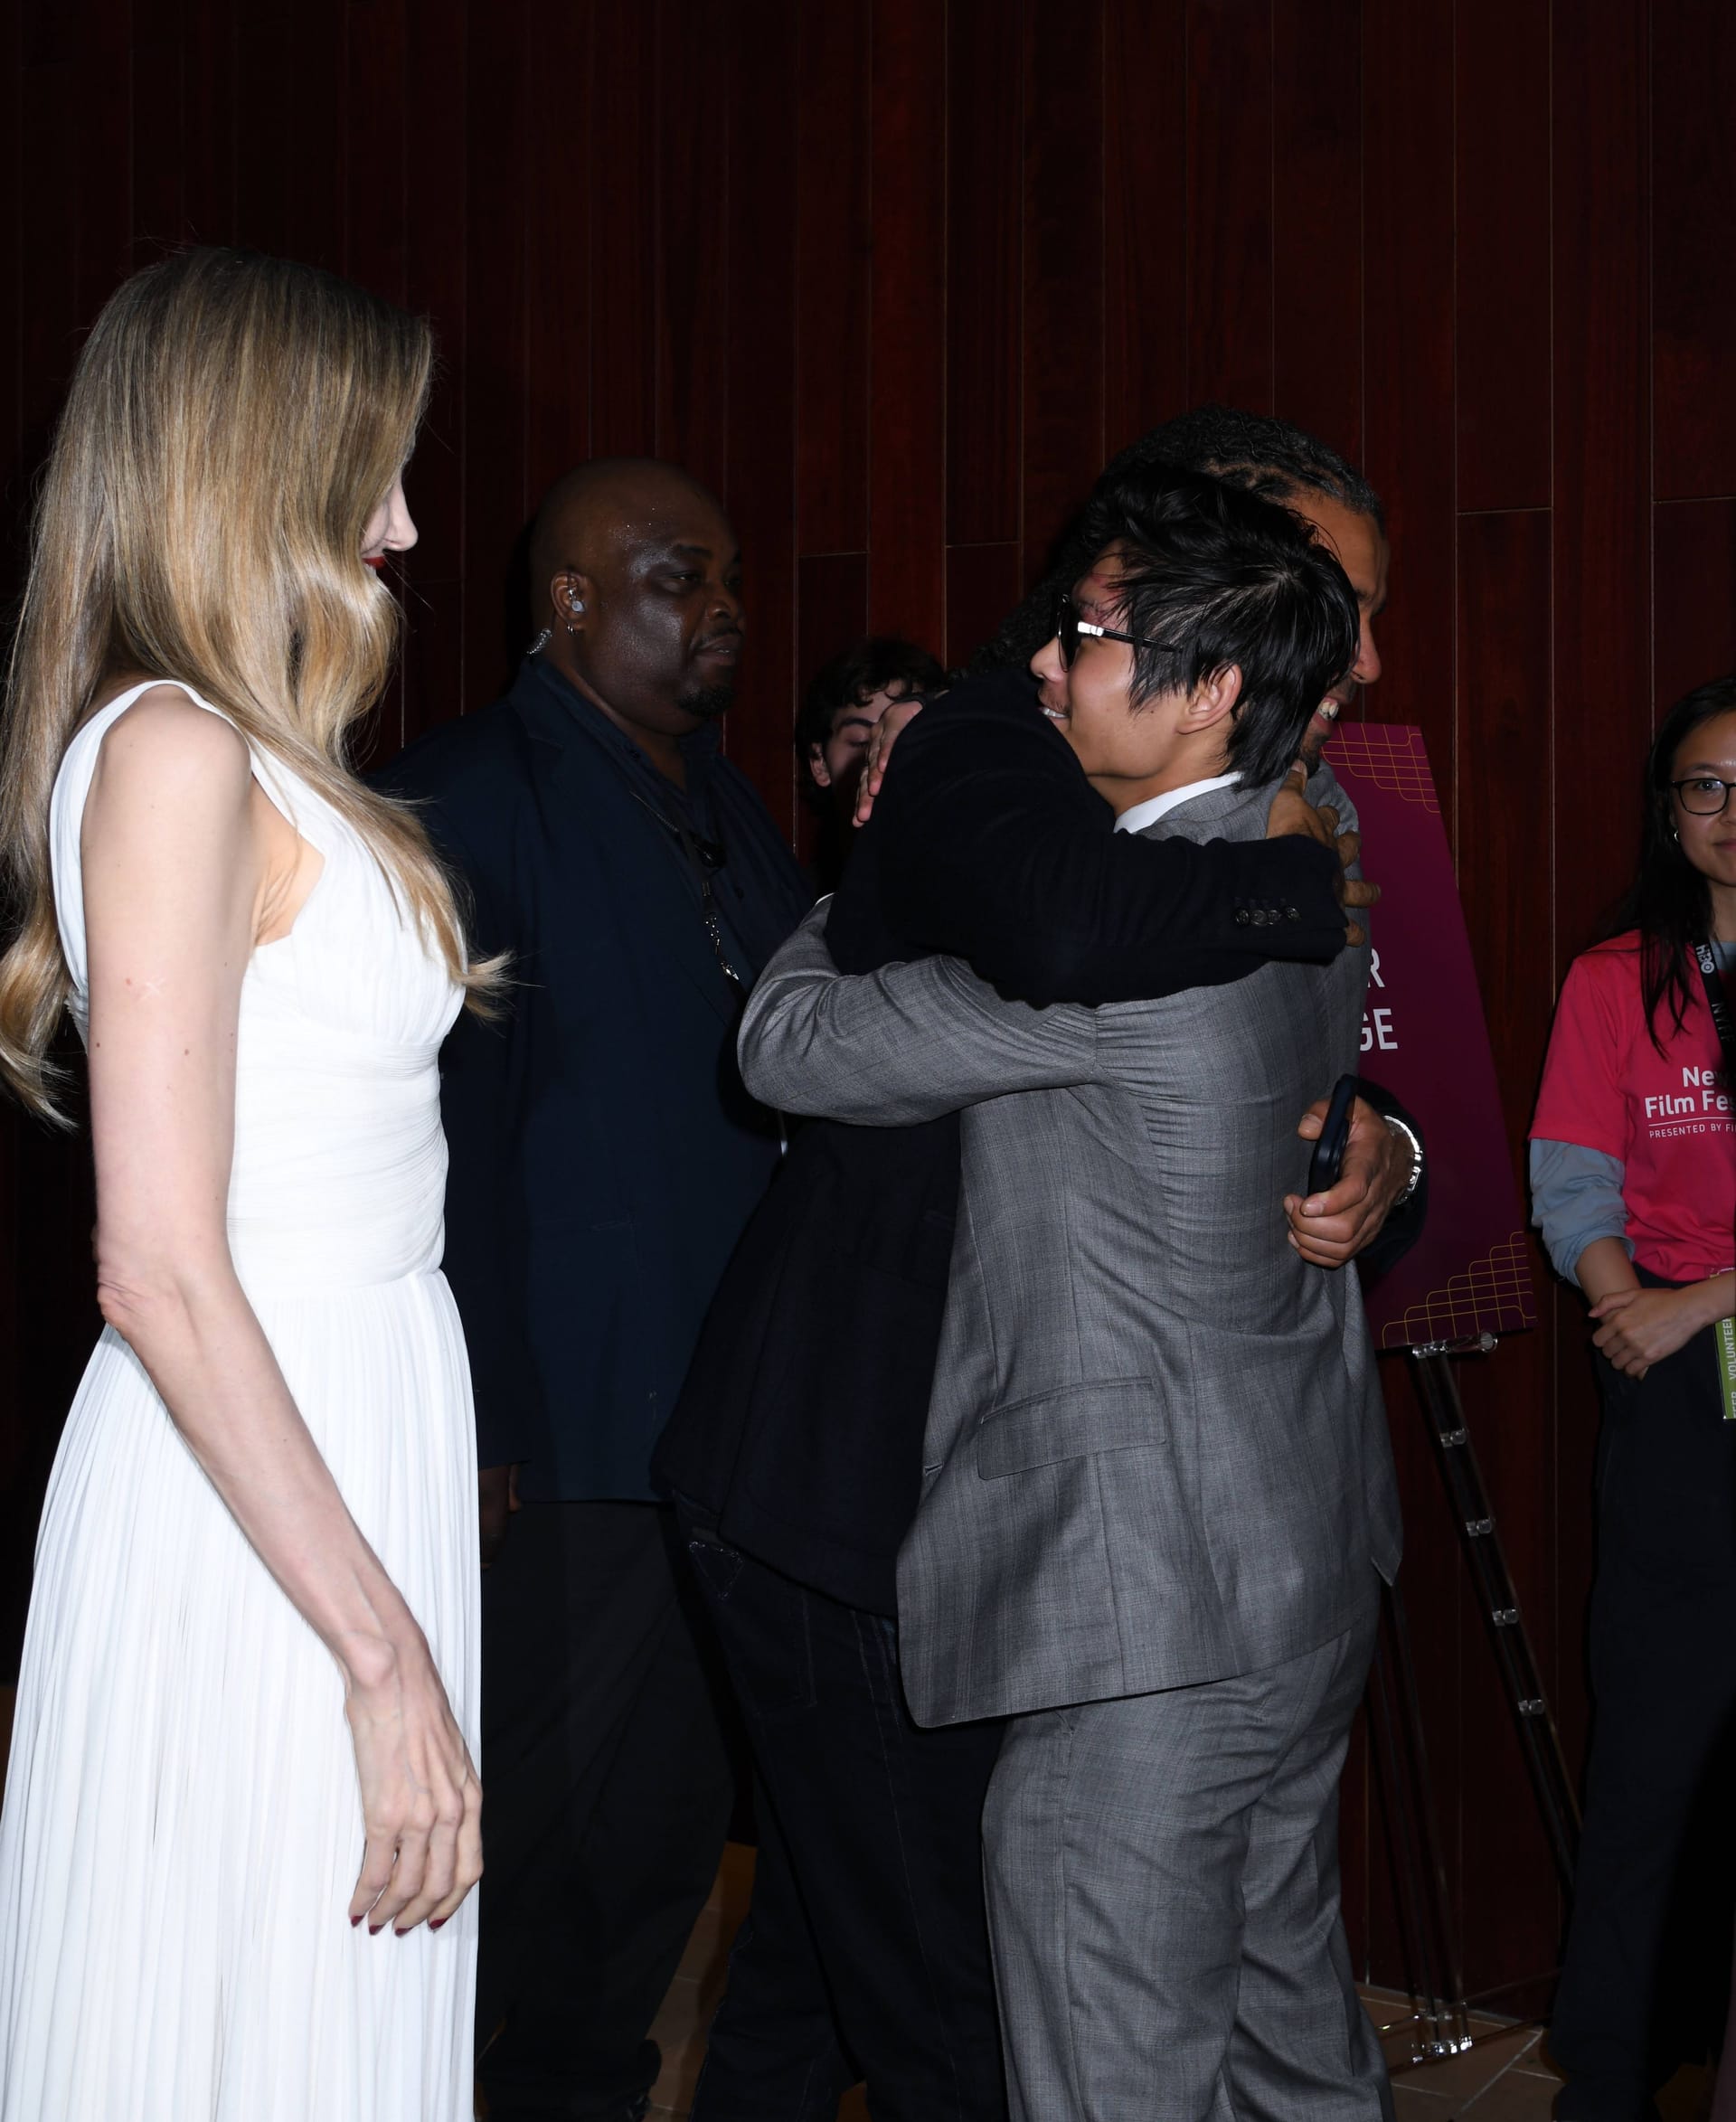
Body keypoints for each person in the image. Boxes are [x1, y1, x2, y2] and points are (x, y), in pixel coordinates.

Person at [653, 411, 1420, 2120]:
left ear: (1213, 682)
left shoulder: (1119, 946)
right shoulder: (1310, 866)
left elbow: (783, 1042)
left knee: (1106, 2073)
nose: (1049, 668)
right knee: (1291, 2045)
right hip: (1295, 1577)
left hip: (1143, 1615)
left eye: (1089, 639)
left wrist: (871, 861)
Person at [0, 248, 486, 2121]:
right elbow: (160, 1268)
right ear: (250, 468)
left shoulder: (253, 748)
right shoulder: (177, 753)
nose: (405, 518)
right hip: (247, 1499)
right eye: (372, 466)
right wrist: (380, 1656)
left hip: (345, 1433)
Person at [375, 457, 811, 2122]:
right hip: (548, 1443)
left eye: (731, 583)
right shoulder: (462, 798)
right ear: (568, 600)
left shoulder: (719, 797)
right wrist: (474, 1410)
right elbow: (428, 1137)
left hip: (718, 1428)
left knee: (660, 1842)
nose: (726, 615)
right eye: (679, 580)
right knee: (531, 1851)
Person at [1531, 677, 1736, 2122]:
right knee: (1655, 1736)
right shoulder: (1618, 974)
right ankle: (1606, 2069)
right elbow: (1573, 1177)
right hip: (1666, 1387)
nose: (1730, 814)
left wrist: (1700, 1299)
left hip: (1692, 1318)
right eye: (1705, 787)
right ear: (1670, 813)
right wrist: (1624, 1302)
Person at [795, 636, 948, 887]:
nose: (878, 754)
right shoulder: (794, 904)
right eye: (861, 741)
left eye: (902, 738)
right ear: (819, 761)